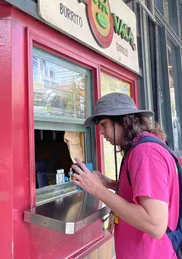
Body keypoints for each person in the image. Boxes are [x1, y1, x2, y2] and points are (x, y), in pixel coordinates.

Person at [72, 92, 179, 259]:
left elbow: (155, 224)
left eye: (103, 124)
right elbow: (148, 191)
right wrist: (111, 184)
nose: (100, 132)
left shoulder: (145, 152)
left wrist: (98, 190)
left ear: (123, 121)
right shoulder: (141, 147)